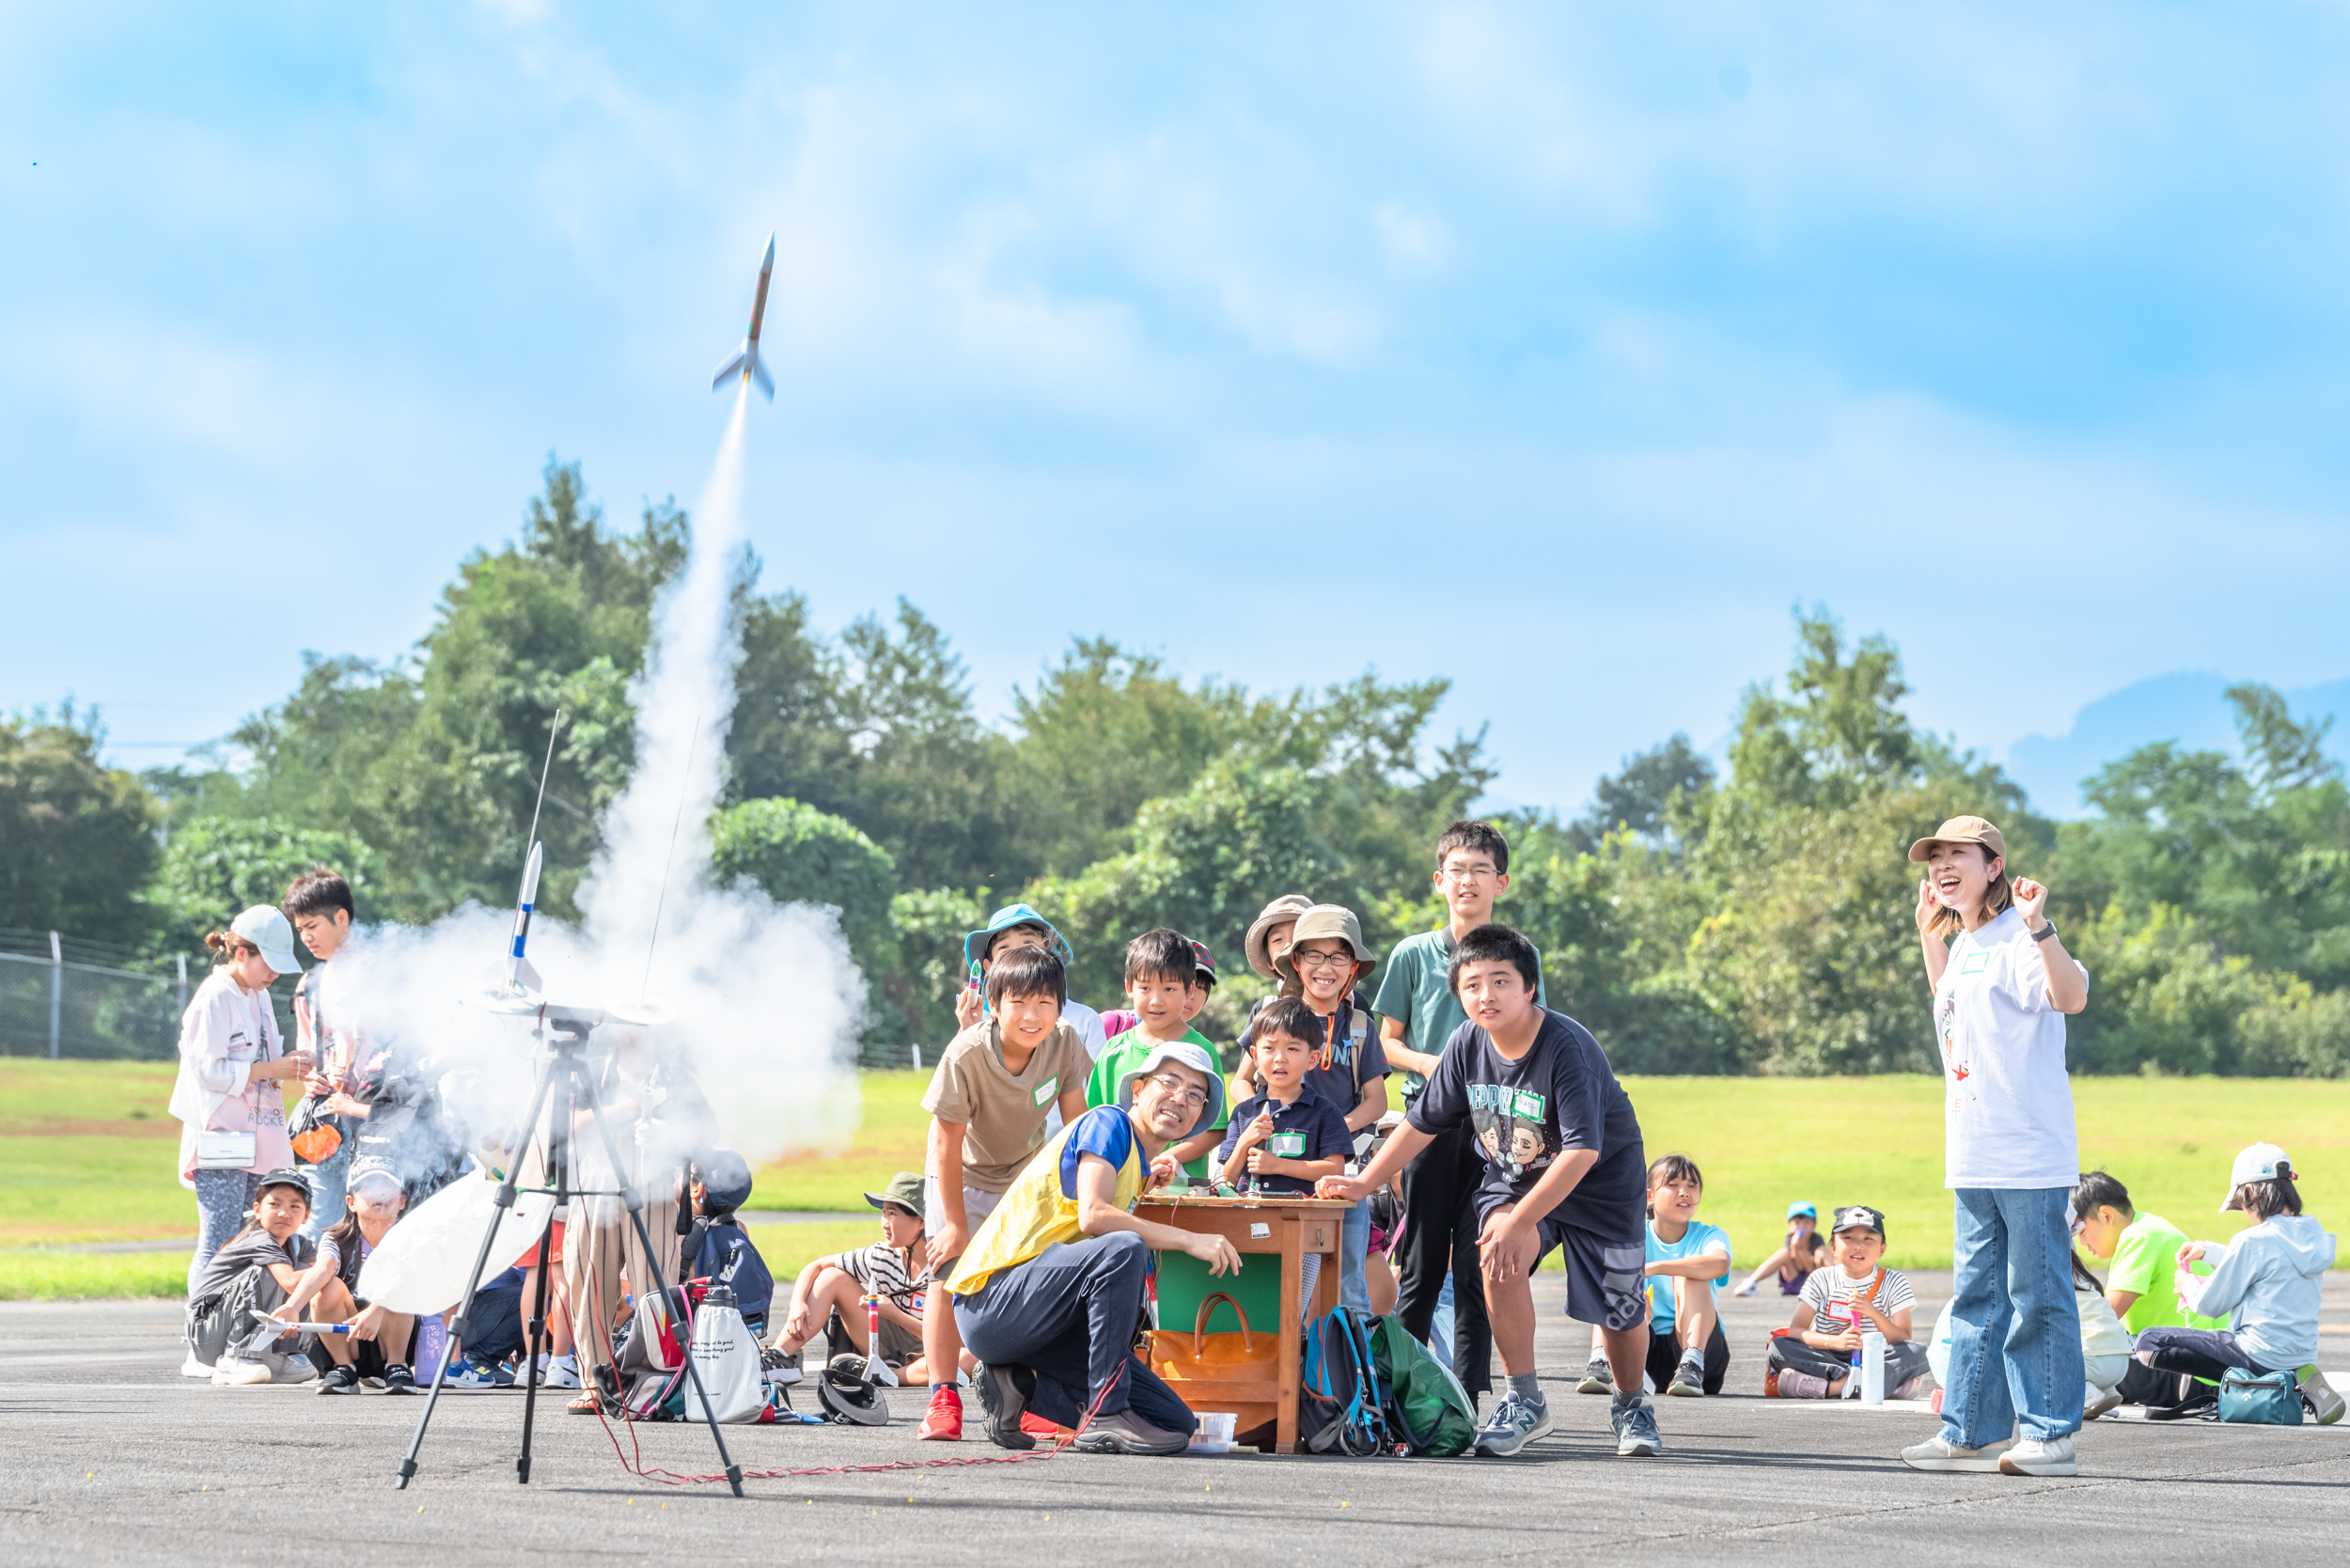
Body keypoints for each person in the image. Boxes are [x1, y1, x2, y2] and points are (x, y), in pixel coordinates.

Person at [1324, 924, 1660, 1460]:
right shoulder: (1466, 1045)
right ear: (1459, 993)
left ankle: (1630, 1404)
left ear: (1530, 987)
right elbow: (1421, 1122)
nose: (1486, 995)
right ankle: (1525, 1400)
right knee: (1497, 1252)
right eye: (1473, 984)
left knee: (1619, 1305)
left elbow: (1581, 1152)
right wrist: (1363, 1181)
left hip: (1598, 1184)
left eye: (1500, 981)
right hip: (1517, 1174)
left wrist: (1521, 1218)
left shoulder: (1566, 1047)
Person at [1898, 816, 2091, 1480]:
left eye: (1959, 856)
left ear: (1994, 866)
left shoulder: (2016, 936)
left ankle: (2050, 1436)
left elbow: (2072, 996)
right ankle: (1969, 1430)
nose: (1943, 868)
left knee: (2037, 1295)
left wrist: (2042, 925)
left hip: (2028, 1152)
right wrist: (1930, 940)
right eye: (1935, 859)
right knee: (1978, 1299)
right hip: (1973, 1153)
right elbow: (1950, 1003)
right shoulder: (1968, 943)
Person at [952, 1041, 1243, 1455]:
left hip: (1040, 1320)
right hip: (993, 1299)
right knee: (1124, 1247)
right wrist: (1189, 1240)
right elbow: (1094, 1216)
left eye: (1195, 1096)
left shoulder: (1137, 1161)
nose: (1180, 1098)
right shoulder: (1107, 1123)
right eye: (1170, 1082)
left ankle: (1015, 1383)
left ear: (1197, 1118)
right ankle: (1104, 1414)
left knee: (1174, 1424)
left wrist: (1144, 1177)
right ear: (1139, 1090)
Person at [1371, 821, 1544, 1405]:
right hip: (1428, 1125)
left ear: (1503, 882)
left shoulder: (1522, 957)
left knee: (1477, 1272)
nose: (1468, 881)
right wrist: (1433, 1066)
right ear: (1439, 881)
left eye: (1481, 870)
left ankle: (1470, 1397)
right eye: (1458, 870)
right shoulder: (1413, 953)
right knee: (1419, 1267)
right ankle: (1406, 1394)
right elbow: (1385, 1042)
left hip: (1498, 1130)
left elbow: (1533, 1039)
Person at [917, 946, 1093, 1441]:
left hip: (1023, 1175)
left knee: (1029, 1283)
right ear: (994, 1004)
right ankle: (941, 1398)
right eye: (1019, 1002)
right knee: (947, 1277)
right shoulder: (966, 1054)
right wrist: (954, 1224)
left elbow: (1076, 1123)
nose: (1032, 1015)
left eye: (1045, 1002)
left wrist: (1083, 1188)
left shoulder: (1064, 1043)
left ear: (1061, 1005)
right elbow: (945, 1144)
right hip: (961, 1175)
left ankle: (1025, 1395)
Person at [563, 1027, 716, 1415]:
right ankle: (595, 1383)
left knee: (656, 1287)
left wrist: (670, 1134)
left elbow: (708, 1129)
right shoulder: (596, 1068)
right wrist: (633, 1109)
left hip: (654, 1187)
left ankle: (655, 1380)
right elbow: (569, 1125)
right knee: (591, 1285)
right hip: (597, 1183)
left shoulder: (672, 1072)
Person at [1245, 905, 1390, 1312]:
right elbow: (1243, 1079)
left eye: (1339, 957)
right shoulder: (1272, 1015)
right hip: (1276, 1164)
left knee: (1347, 1277)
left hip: (1338, 1169)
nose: (1325, 968)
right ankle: (1284, 1365)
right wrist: (1256, 1119)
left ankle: (1347, 1372)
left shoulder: (1360, 1024)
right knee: (1273, 1271)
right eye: (1314, 955)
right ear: (1296, 961)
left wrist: (1334, 1127)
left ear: (1353, 968)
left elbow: (1376, 1101)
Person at [2138, 1142, 2343, 1425]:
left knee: (2149, 1342)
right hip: (2301, 1352)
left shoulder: (2252, 1241)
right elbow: (2268, 1261)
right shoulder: (2310, 1233)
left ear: (2248, 1192)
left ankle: (2246, 1385)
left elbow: (2208, 1305)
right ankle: (2294, 1375)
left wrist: (2187, 1283)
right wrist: (2209, 1250)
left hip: (2257, 1353)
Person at [170, 907, 312, 1301]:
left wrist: (291, 1067)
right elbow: (209, 1071)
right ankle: (200, 1339)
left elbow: (262, 1061)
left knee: (253, 1237)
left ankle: (237, 1334)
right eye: (268, 963)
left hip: (258, 1132)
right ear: (242, 953)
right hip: (220, 1134)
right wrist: (273, 1067)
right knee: (220, 1237)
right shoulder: (213, 999)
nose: (274, 974)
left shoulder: (259, 995)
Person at [1216, 997, 1351, 1312]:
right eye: (1269, 1048)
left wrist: (1278, 1165)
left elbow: (1335, 1170)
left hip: (1300, 1230)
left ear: (1312, 1058)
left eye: (1292, 1049)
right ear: (1254, 1054)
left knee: (1291, 1311)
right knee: (1249, 1307)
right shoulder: (1243, 1112)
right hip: (1246, 1229)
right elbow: (1225, 1179)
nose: (1280, 1058)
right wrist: (1244, 1144)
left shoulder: (1324, 1112)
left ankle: (1293, 1360)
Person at [1085, 931, 1227, 1183]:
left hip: (1182, 1190)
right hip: (1118, 1182)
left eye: (1169, 988)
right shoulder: (1113, 1051)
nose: (1156, 1000)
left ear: (1190, 990)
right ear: (1129, 988)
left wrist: (1167, 1158)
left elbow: (1215, 1129)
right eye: (1145, 988)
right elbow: (1095, 1121)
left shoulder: (1203, 1051)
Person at [2071, 1168, 2218, 1411]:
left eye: (2081, 1231)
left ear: (2106, 1215)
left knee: (2060, 1362)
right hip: (2199, 1370)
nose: (2082, 1244)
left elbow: (2102, 1320)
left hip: (2192, 1376)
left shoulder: (2140, 1237)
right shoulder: (2150, 1227)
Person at [770, 1171, 934, 1383]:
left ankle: (887, 1376)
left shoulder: (943, 1265)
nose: (884, 1222)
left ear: (921, 1222)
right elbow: (816, 1265)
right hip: (880, 1344)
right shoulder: (881, 1255)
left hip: (928, 1351)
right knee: (831, 1276)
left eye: (892, 1214)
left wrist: (893, 1313)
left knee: (969, 1357)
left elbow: (945, 1338)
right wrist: (797, 1304)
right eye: (884, 1213)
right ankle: (778, 1357)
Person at [1764, 1206, 1932, 1400]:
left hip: (1875, 1358)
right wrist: (1834, 1341)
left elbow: (1902, 1339)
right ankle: (1864, 1383)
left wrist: (1873, 1313)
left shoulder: (1894, 1281)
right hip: (1829, 1358)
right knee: (1779, 1346)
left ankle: (1831, 1388)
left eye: (1868, 1239)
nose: (1858, 1246)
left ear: (1882, 1249)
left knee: (1919, 1353)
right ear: (1834, 1248)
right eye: (1848, 1238)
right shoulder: (1821, 1278)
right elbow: (1797, 1331)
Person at [283, 868, 364, 1245]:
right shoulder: (310, 986)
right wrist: (309, 1077)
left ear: (342, 917)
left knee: (375, 1227)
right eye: (300, 929)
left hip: (373, 1116)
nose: (307, 937)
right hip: (326, 1120)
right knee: (319, 1232)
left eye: (312, 925)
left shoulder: (384, 975)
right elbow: (307, 1055)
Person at [184, 1168, 321, 1386]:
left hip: (229, 1324)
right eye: (275, 1204)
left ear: (306, 1215)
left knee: (313, 1279)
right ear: (257, 1210)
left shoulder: (300, 1245)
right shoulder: (258, 1238)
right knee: (270, 1273)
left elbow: (325, 1280)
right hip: (207, 1333)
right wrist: (329, 1268)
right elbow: (291, 1281)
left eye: (294, 1206)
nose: (284, 1213)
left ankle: (273, 1355)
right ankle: (236, 1357)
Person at [1623, 1154, 1731, 1399]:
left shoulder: (1709, 1235)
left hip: (1703, 1354)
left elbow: (1721, 1263)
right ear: (1649, 1196)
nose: (1685, 1192)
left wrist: (1659, 1267)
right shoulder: (1633, 1234)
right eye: (1673, 1185)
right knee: (1615, 1282)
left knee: (1690, 1274)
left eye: (1692, 1186)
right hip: (1646, 1347)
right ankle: (1599, 1361)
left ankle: (1691, 1363)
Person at [952, 902, 1108, 1058]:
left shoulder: (1084, 1021)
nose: (1018, 954)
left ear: (1050, 952)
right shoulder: (977, 1024)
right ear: (988, 966)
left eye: (1028, 943)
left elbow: (1096, 1081)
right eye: (1004, 947)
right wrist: (971, 1031)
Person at [682, 1148, 774, 1335]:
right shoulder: (738, 1228)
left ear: (696, 1189)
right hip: (733, 1334)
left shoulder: (682, 1232)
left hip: (692, 1335)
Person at [1100, 938, 1217, 1042]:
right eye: (1170, 987)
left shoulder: (1199, 1047)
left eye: (1201, 988)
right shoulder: (1111, 1025)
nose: (1191, 995)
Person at [2075, 1252, 2134, 1421]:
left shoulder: (2052, 1283)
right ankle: (2107, 1392)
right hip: (2122, 1362)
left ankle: (2088, 1395)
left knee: (2039, 1364)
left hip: (2093, 1362)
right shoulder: (2088, 1284)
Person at [1732, 1202, 1827, 1297]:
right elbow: (1797, 1264)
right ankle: (1750, 1283)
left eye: (1806, 1223)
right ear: (1789, 1225)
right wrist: (1795, 1247)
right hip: (1794, 1280)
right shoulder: (1790, 1238)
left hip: (1812, 1281)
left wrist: (1801, 1248)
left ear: (1814, 1224)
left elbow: (1808, 1268)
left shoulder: (1816, 1239)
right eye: (1797, 1223)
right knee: (1783, 1253)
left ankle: (1839, 1283)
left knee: (1821, 1252)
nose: (1802, 1227)